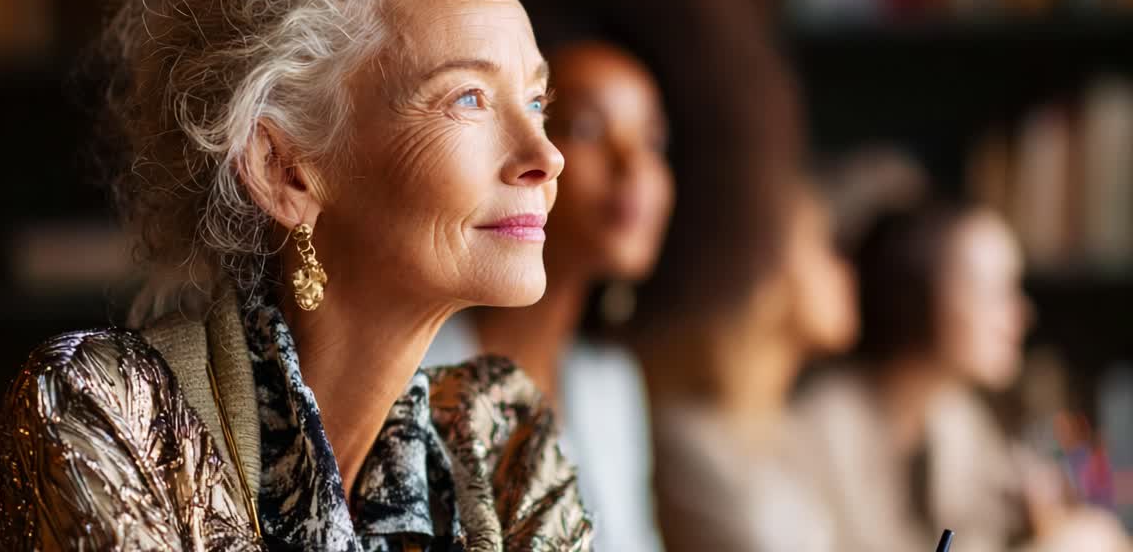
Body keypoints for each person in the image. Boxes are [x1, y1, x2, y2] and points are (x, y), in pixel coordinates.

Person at [0, 0, 592, 551]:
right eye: (466, 98)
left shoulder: (498, 440)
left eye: (536, 101)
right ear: (284, 170)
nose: (546, 156)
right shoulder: (103, 410)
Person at [425, 37, 674, 551]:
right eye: (587, 128)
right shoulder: (421, 372)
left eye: (652, 140)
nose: (635, 168)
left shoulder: (612, 382)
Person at [797, 202, 1128, 552]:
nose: (1022, 314)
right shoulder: (819, 435)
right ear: (920, 294)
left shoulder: (956, 419)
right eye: (997, 290)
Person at [643, 184, 858, 552]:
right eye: (824, 245)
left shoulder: (799, 427)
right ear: (766, 265)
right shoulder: (684, 438)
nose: (844, 269)